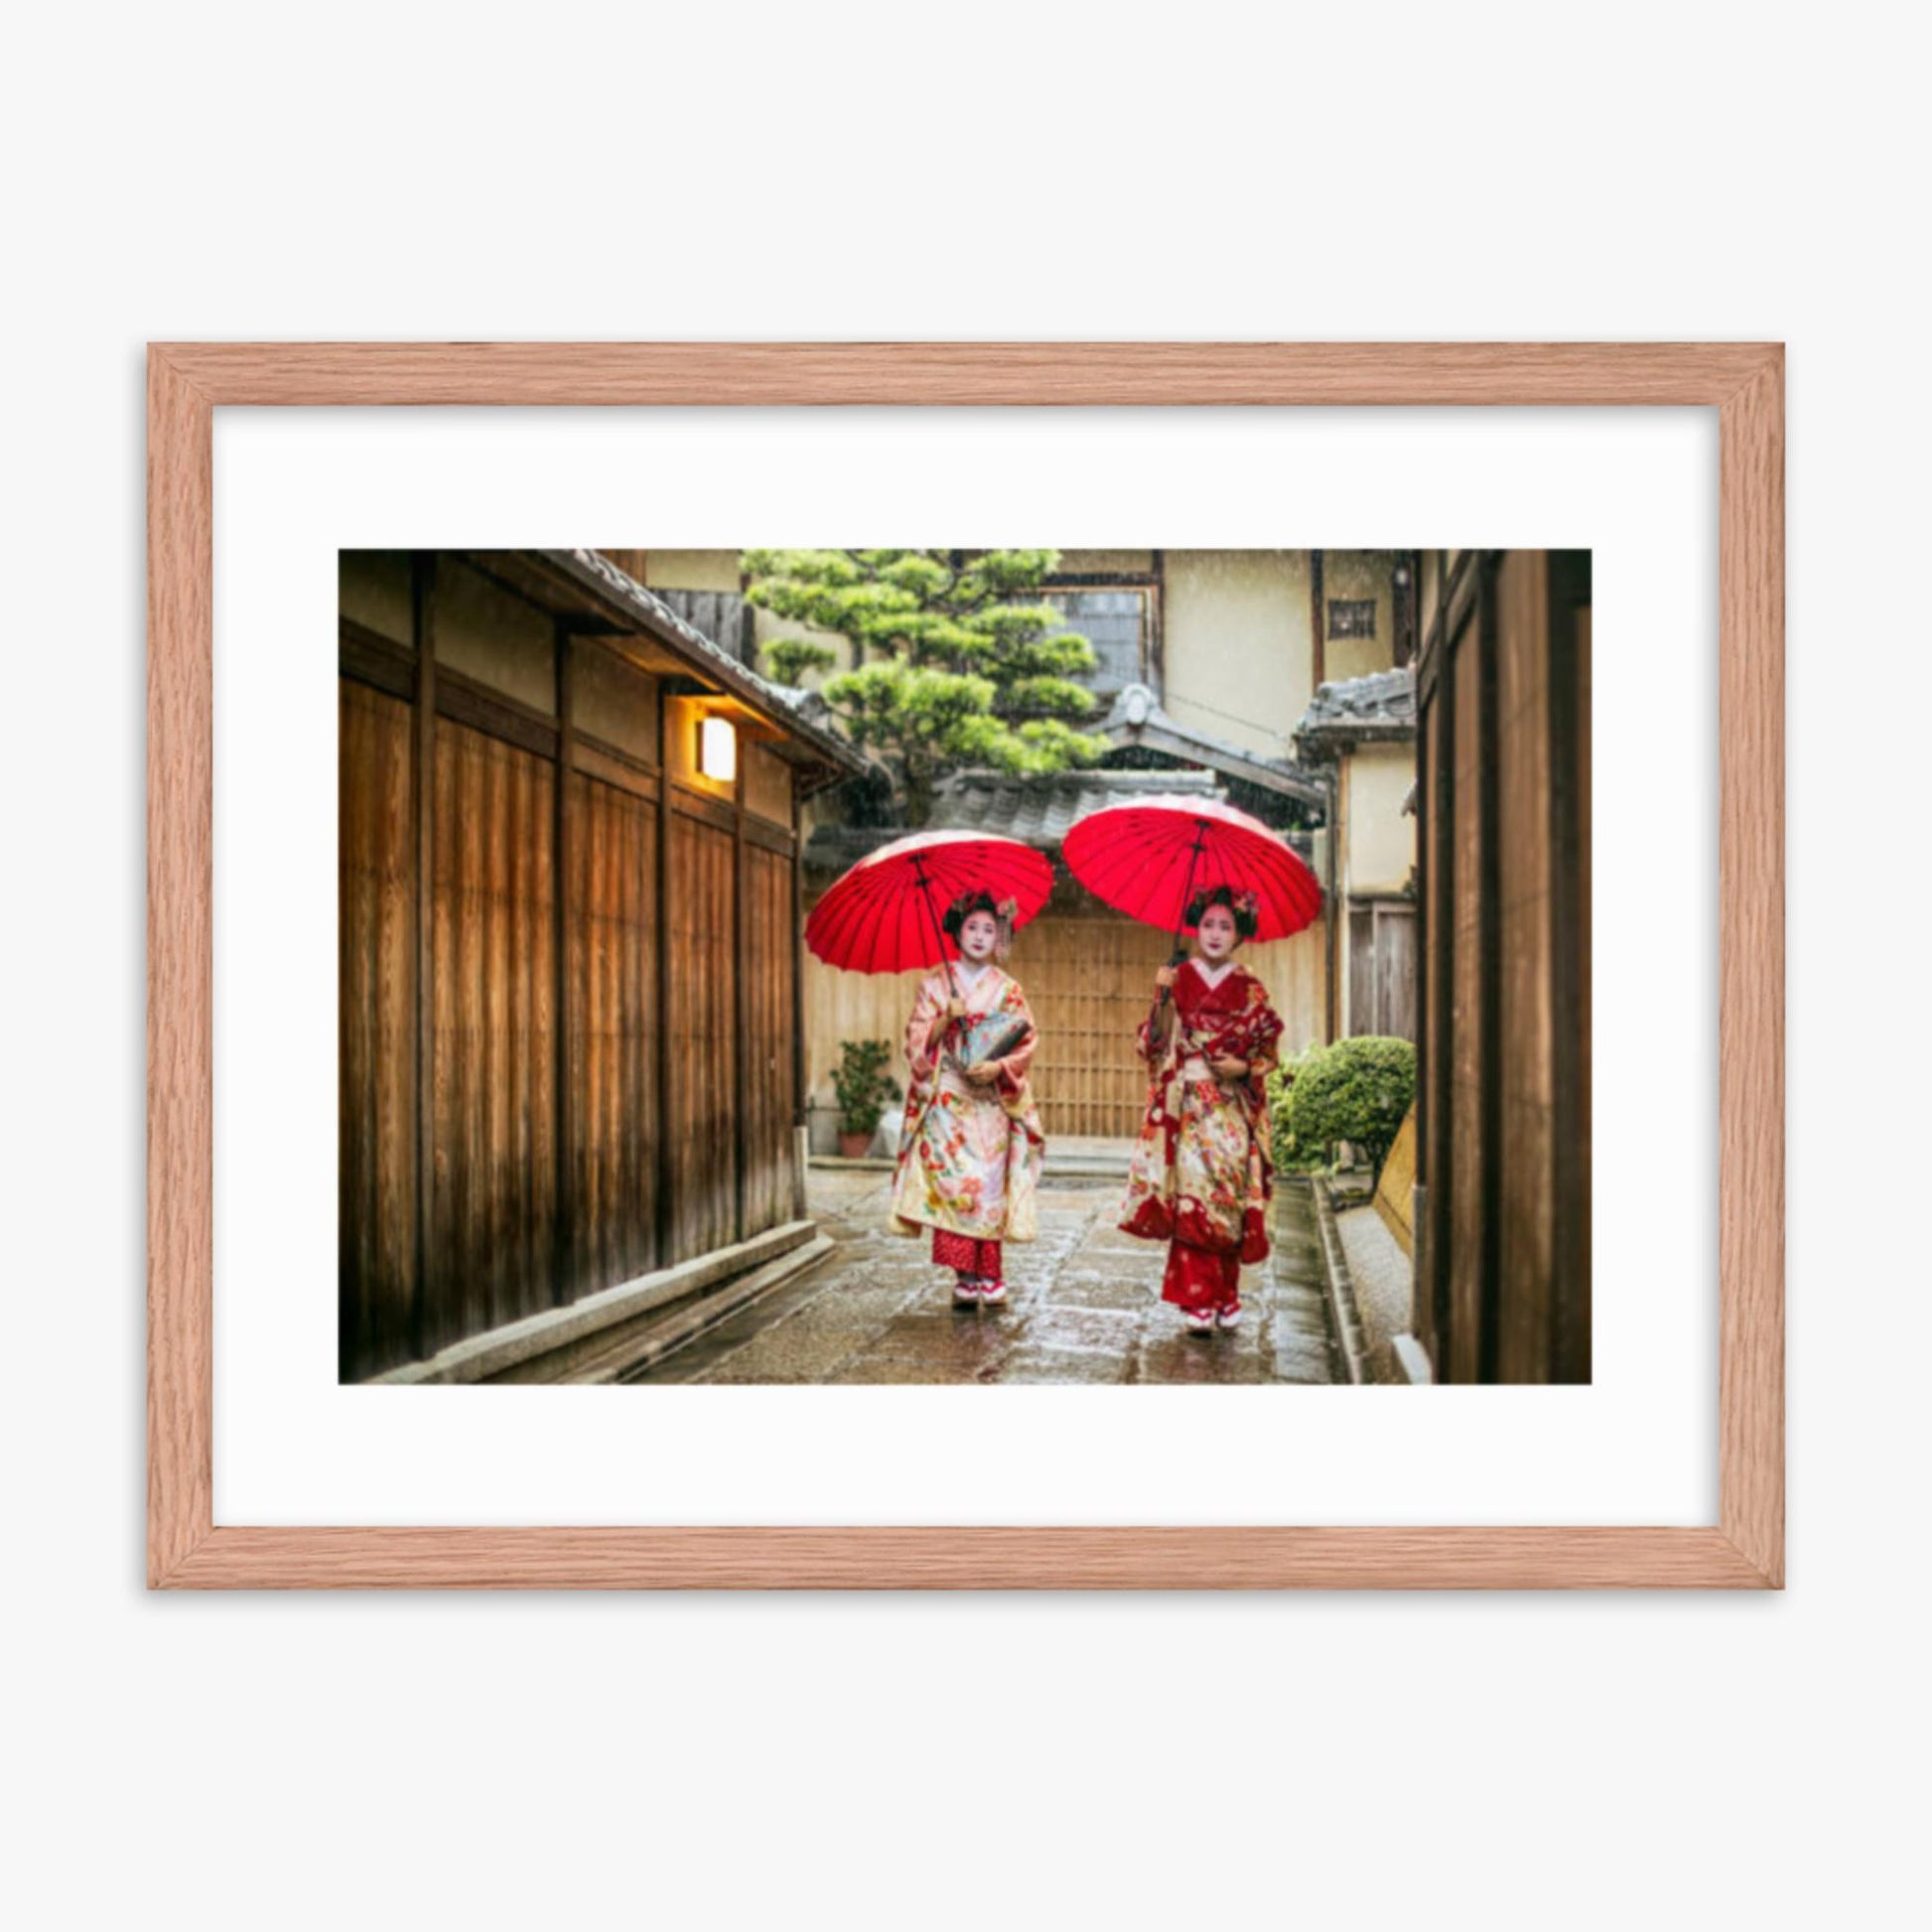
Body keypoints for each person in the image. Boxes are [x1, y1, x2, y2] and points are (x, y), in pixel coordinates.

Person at [1119, 885, 1286, 1333]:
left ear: (1238, 934)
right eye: (1208, 924)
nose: (1214, 933)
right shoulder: (1178, 976)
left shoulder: (1251, 988)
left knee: (1227, 1198)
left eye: (1225, 926)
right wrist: (1161, 997)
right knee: (1192, 1196)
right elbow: (1151, 1045)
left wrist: (1242, 1066)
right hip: (1189, 1106)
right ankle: (1197, 1299)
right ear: (1196, 927)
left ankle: (1227, 1294)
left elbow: (1269, 1053)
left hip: (1230, 1106)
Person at [891, 892, 1045, 1307]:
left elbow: (1026, 1040)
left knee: (989, 1187)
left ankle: (990, 1274)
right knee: (957, 1186)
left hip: (991, 1099)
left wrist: (999, 1068)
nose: (979, 936)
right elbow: (916, 1045)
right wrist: (944, 1019)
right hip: (949, 1102)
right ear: (957, 931)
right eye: (972, 927)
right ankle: (964, 1275)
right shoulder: (934, 985)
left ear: (999, 937)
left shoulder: (1008, 989)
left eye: (988, 929)